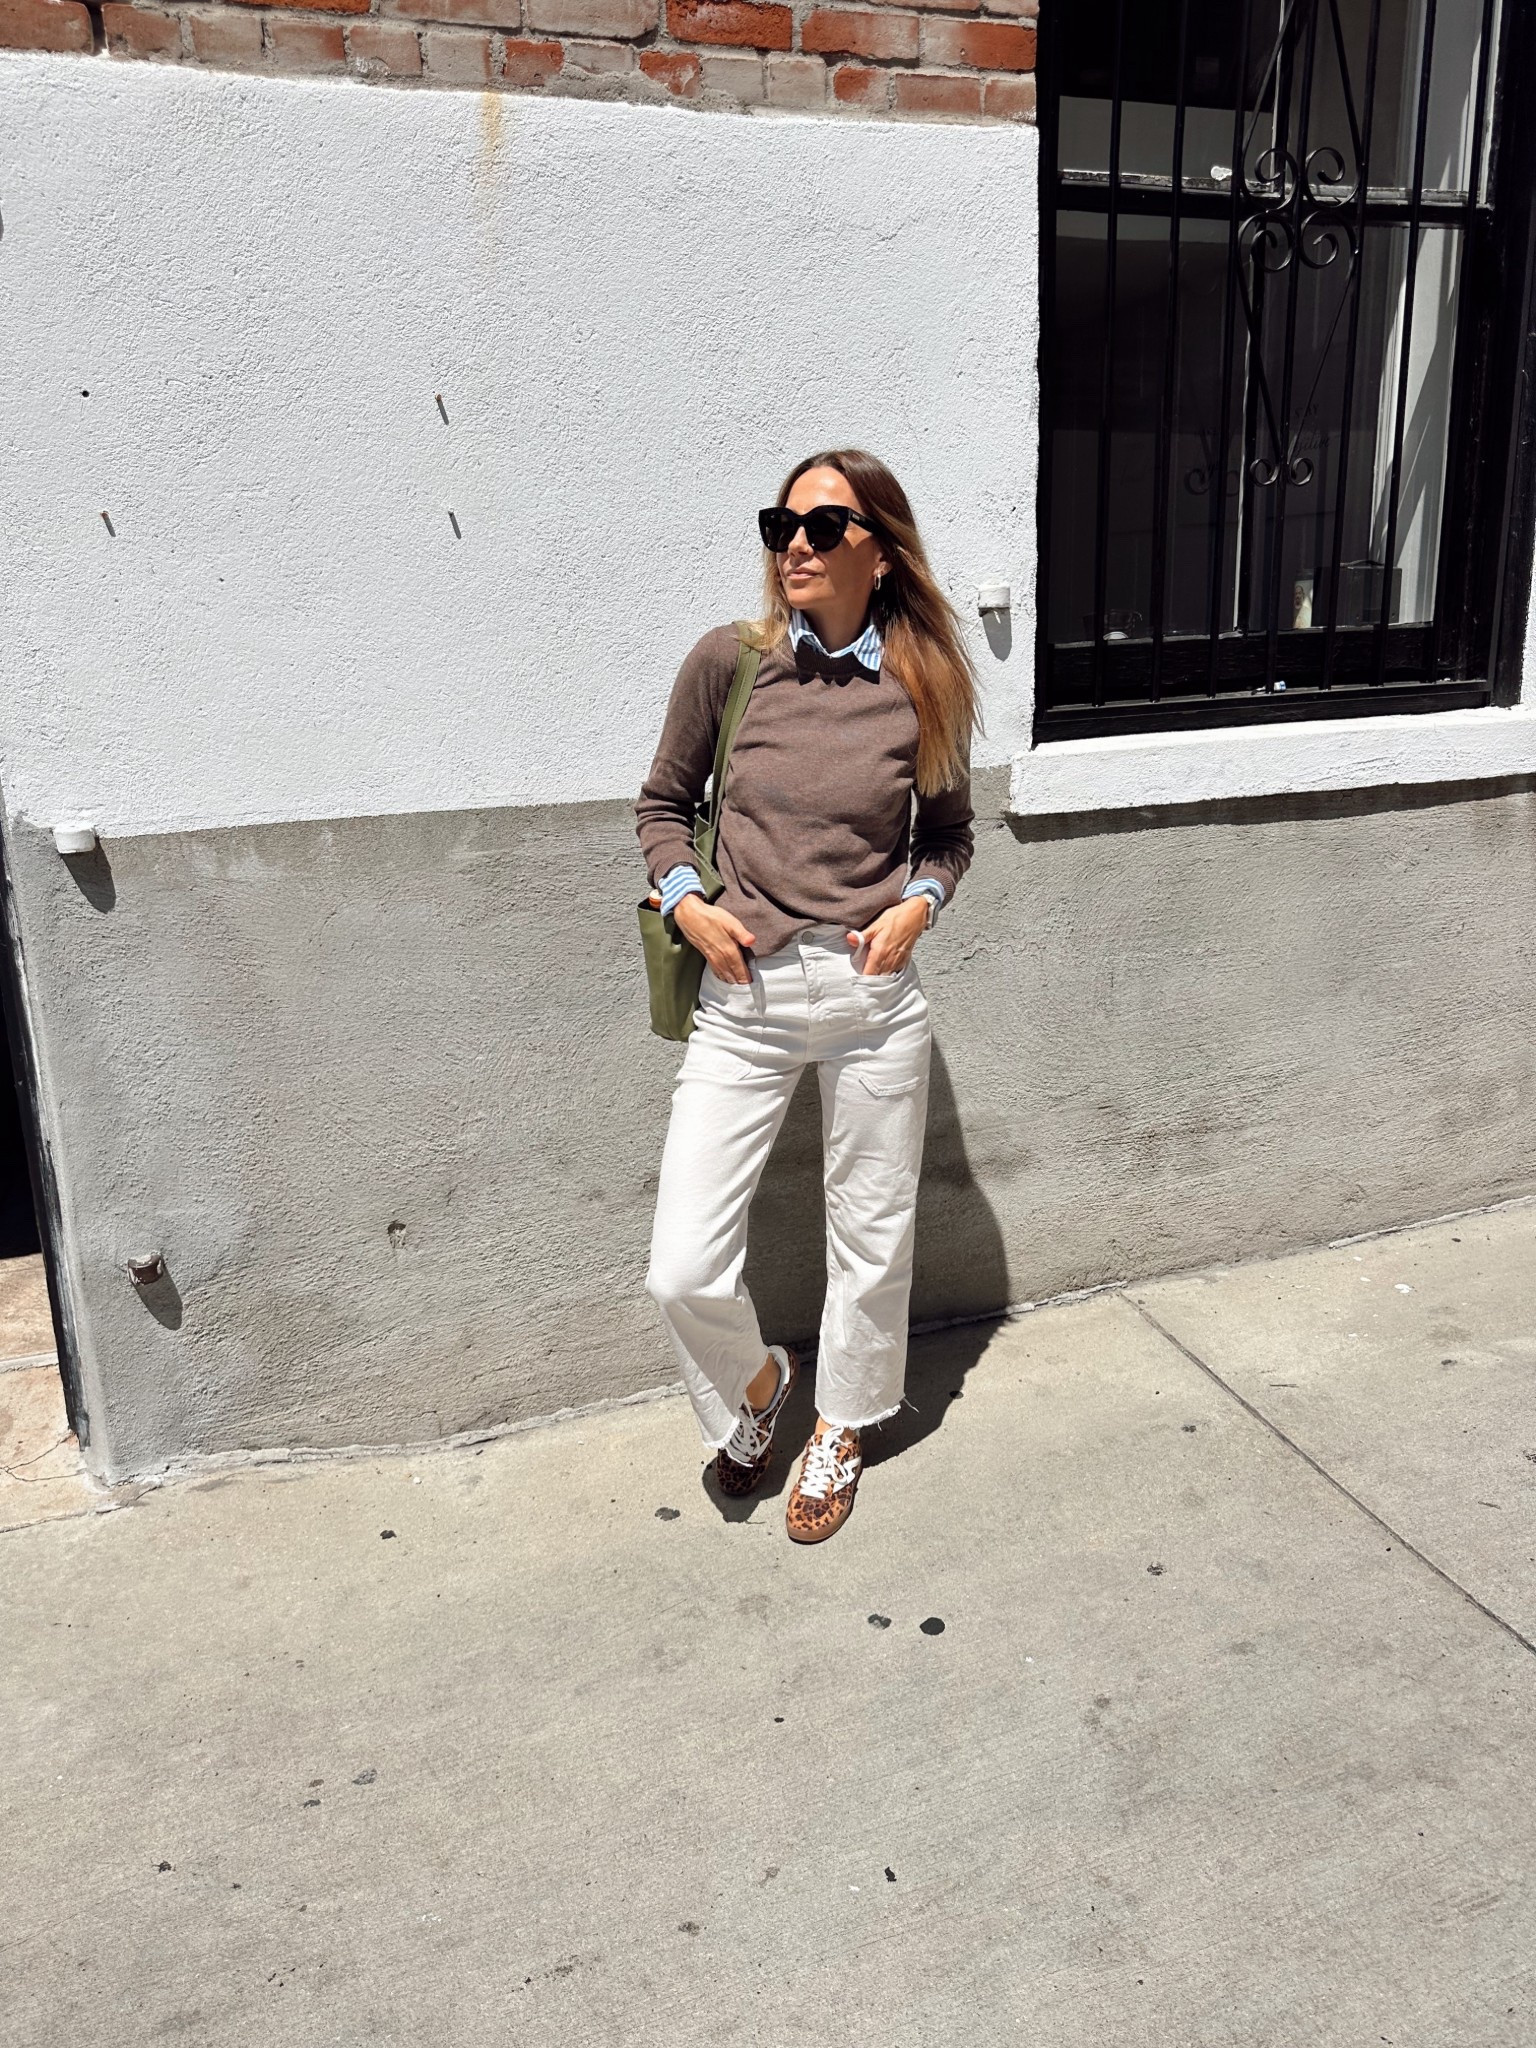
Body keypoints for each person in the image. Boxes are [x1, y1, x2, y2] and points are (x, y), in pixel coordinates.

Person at [636, 448, 978, 1544]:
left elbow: (950, 837)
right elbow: (660, 805)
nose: (795, 543)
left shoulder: (924, 682)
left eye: (824, 527)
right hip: (746, 1000)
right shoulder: (731, 663)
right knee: (682, 1266)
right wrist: (689, 903)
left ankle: (841, 1422)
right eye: (781, 523)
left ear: (881, 553)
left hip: (873, 1003)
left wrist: (919, 904)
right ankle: (760, 1385)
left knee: (872, 1239)